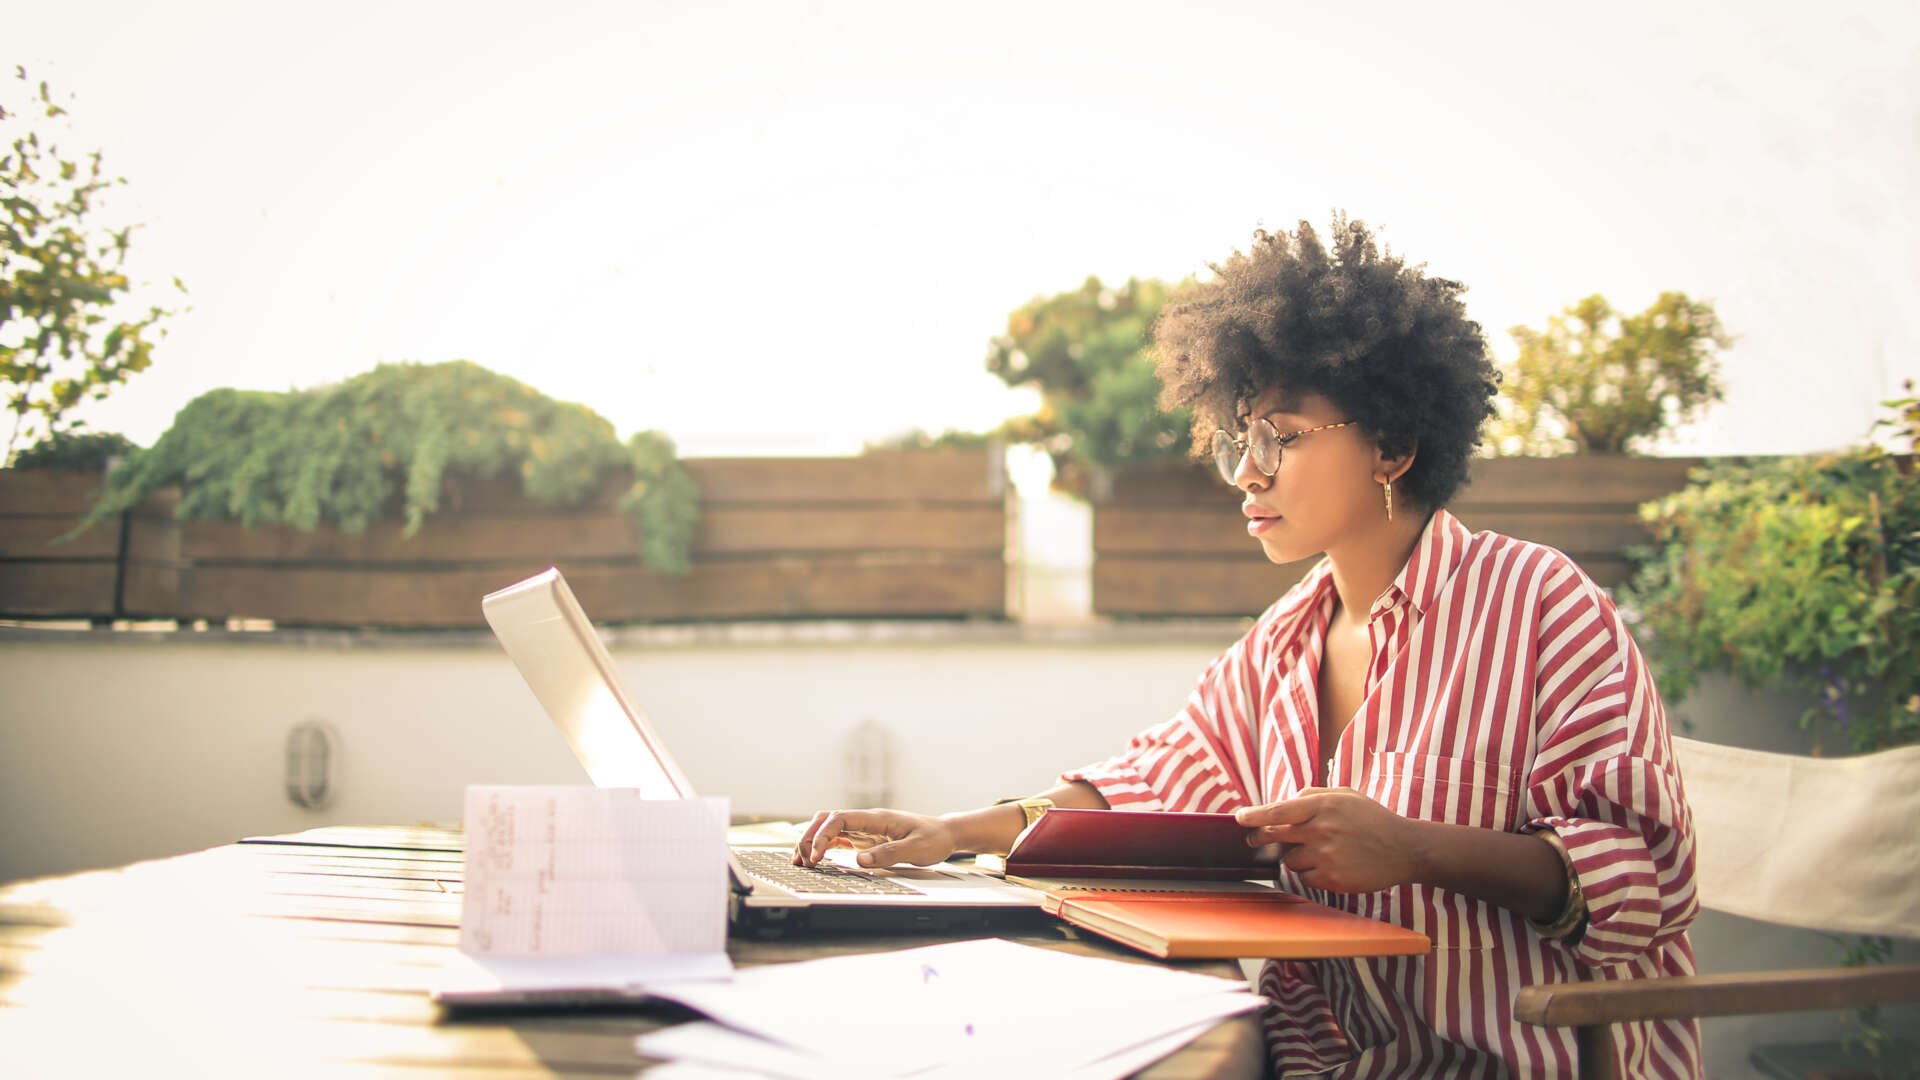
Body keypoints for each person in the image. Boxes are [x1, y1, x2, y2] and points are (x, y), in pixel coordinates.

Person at [794, 215, 1701, 1079]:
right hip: (1321, 1057)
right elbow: (1155, 779)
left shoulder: (1541, 605)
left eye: (1281, 437)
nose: (1246, 472)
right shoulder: (1282, 641)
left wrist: (1417, 850)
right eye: (1238, 440)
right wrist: (955, 832)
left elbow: (1647, 883)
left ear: (1392, 444)